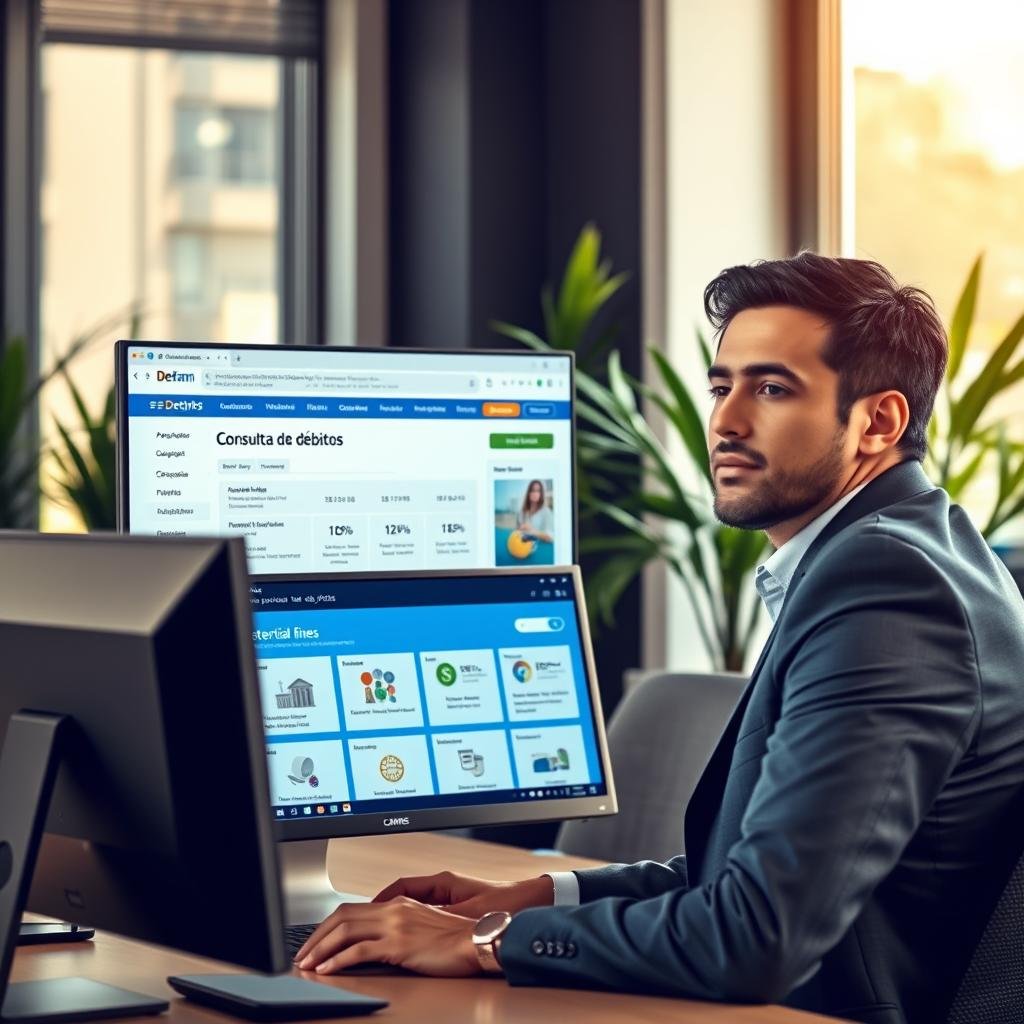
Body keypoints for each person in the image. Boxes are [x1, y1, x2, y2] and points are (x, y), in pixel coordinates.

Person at [294, 254, 1024, 1024]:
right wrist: (538, 894)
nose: (726, 421)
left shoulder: (888, 589)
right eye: (721, 386)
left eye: (772, 389)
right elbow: (751, 876)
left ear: (878, 422)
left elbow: (756, 934)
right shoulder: (905, 551)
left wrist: (487, 940)